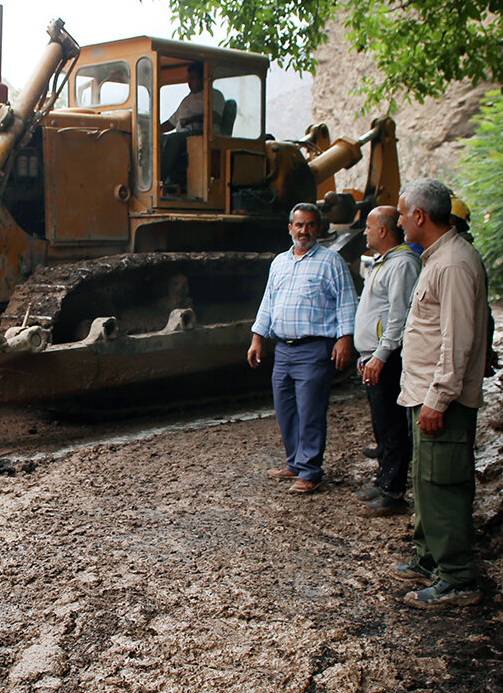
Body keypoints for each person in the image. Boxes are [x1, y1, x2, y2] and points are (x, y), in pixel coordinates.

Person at [391, 179, 491, 608]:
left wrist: (437, 398)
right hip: (425, 395)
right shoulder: (439, 258)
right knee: (426, 482)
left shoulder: (451, 264)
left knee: (443, 484)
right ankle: (431, 558)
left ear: (419, 217)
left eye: (400, 214)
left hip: (439, 401)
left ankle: (458, 579)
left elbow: (458, 341)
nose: (397, 221)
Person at [248, 203, 358, 493]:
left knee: (310, 411)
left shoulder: (331, 261)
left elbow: (347, 302)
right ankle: (294, 463)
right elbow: (268, 301)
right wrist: (258, 337)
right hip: (284, 349)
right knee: (286, 410)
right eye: (299, 225)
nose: (304, 230)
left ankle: (309, 472)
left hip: (314, 348)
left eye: (310, 225)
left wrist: (345, 338)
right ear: (290, 228)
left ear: (318, 229)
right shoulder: (279, 262)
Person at [352, 205, 421, 516]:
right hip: (375, 356)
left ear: (382, 230)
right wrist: (366, 354)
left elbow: (398, 318)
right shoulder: (385, 262)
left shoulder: (403, 265)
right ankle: (384, 481)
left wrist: (379, 356)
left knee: (392, 424)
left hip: (388, 358)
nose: (364, 232)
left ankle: (393, 493)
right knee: (381, 423)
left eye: (368, 226)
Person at [160, 62, 223, 186]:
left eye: (193, 78)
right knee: (159, 140)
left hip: (202, 135)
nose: (189, 82)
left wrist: (191, 120)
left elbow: (214, 117)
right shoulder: (187, 100)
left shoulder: (213, 95)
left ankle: (159, 178)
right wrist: (153, 129)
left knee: (173, 139)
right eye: (188, 79)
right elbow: (172, 122)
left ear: (202, 78)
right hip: (183, 136)